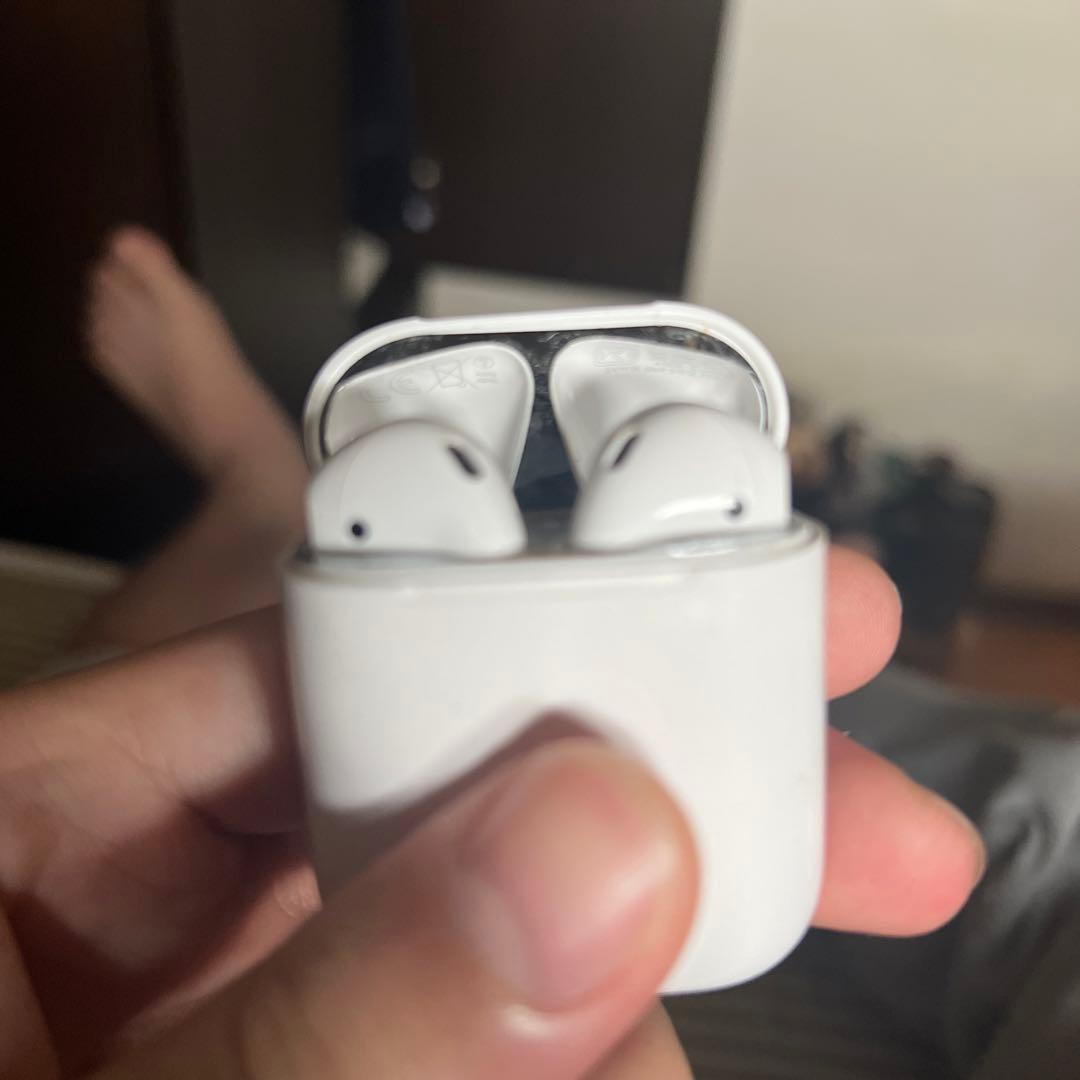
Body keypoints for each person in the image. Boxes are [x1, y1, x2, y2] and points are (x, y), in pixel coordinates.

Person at [0, 229, 985, 1078]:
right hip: (708, 877)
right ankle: (266, 493)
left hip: (398, 606)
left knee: (356, 519)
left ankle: (272, 490)